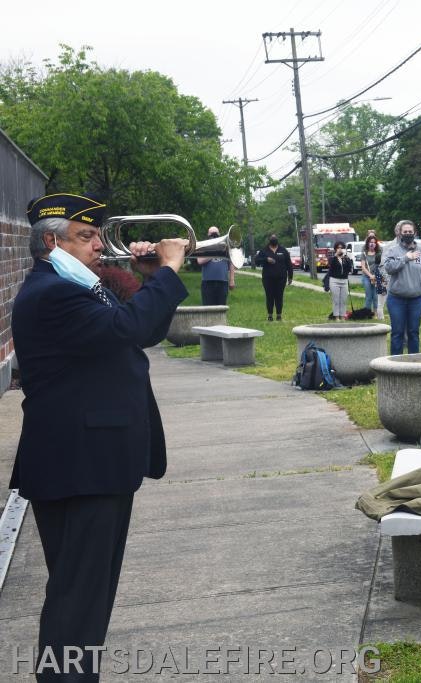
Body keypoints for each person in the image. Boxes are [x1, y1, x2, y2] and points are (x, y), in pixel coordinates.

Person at [12, 193, 188, 680]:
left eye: (96, 235)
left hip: (91, 463)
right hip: (81, 467)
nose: (98, 245)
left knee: (84, 603)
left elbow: (140, 331)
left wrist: (155, 278)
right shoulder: (54, 292)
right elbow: (129, 326)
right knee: (77, 606)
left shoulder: (77, 288)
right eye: (86, 237)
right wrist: (171, 270)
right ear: (52, 242)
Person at [383, 220, 421, 354]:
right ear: (400, 233)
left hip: (417, 299)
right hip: (397, 299)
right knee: (397, 333)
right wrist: (405, 258)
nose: (408, 234)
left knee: (413, 332)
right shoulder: (393, 251)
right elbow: (388, 268)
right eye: (405, 232)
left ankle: (413, 364)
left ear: (415, 233)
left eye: (410, 232)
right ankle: (396, 365)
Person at [255, 234, 293, 321]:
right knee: (269, 296)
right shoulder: (264, 250)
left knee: (279, 296)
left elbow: (289, 264)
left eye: (275, 238)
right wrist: (266, 259)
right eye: (272, 238)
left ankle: (279, 315)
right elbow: (257, 261)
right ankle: (270, 315)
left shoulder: (283, 250)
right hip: (268, 278)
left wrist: (290, 276)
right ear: (269, 240)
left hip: (281, 278)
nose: (274, 240)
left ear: (277, 240)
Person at [196, 225, 234, 305]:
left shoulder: (226, 246)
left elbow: (231, 263)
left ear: (219, 234)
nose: (214, 236)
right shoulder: (203, 246)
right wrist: (215, 252)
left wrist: (232, 280)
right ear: (208, 235)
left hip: (223, 282)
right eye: (212, 234)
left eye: (215, 234)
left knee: (221, 307)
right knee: (207, 308)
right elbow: (200, 261)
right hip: (207, 282)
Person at [326, 242, 353, 320]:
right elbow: (331, 265)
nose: (340, 249)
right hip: (334, 280)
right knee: (336, 300)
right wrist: (336, 256)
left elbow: (349, 269)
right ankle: (336, 316)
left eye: (341, 248)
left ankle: (342, 316)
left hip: (344, 281)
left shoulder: (345, 258)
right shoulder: (332, 258)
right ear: (335, 249)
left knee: (343, 299)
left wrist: (347, 258)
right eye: (338, 248)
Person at [361, 234, 385, 320]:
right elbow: (363, 267)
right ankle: (367, 313)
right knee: (369, 295)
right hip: (367, 276)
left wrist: (375, 276)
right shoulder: (364, 253)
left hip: (377, 276)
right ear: (368, 243)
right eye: (371, 242)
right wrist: (370, 275)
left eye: (374, 242)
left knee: (375, 296)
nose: (372, 244)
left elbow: (382, 265)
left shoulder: (379, 253)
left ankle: (375, 313)